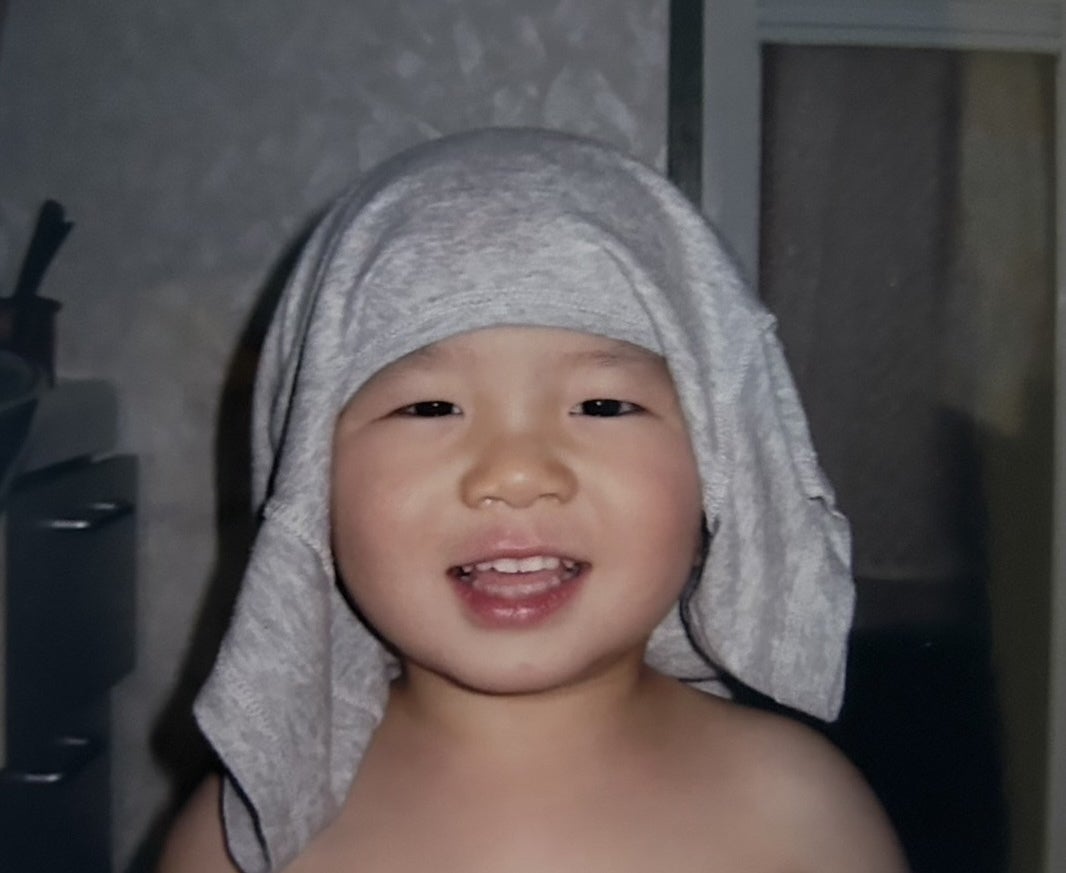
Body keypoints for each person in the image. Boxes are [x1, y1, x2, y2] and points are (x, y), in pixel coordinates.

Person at [158, 128, 908, 873]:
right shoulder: (245, 843)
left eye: (603, 405)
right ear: (307, 476)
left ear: (721, 461)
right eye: (430, 408)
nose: (515, 474)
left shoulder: (800, 814)